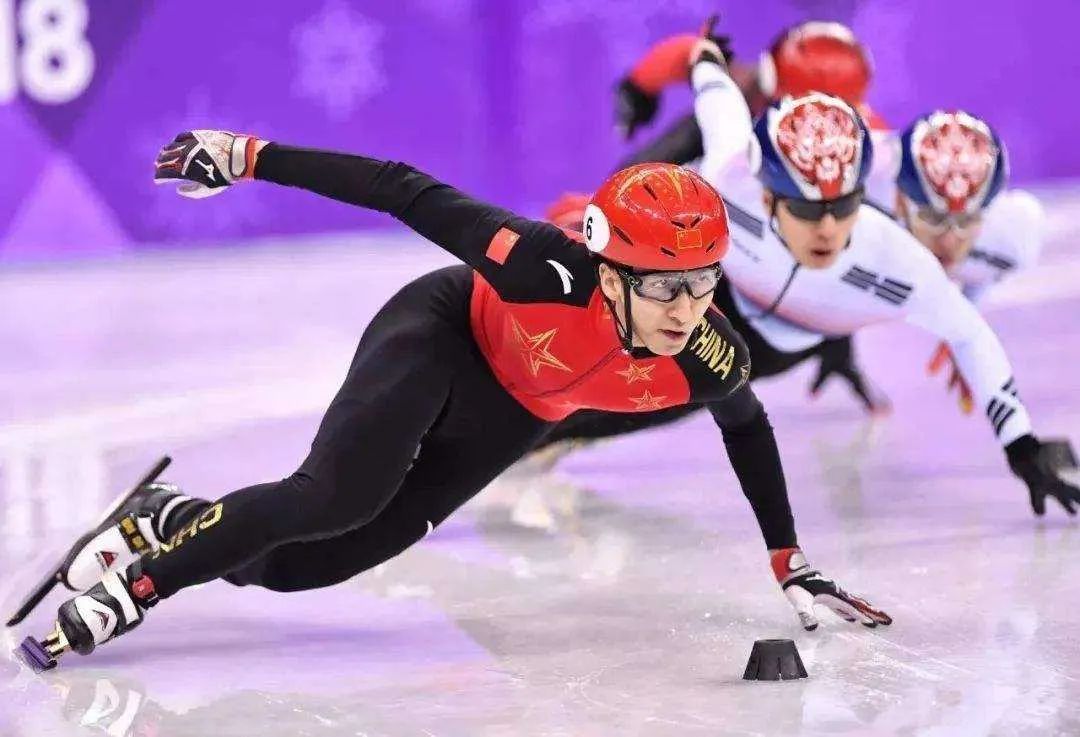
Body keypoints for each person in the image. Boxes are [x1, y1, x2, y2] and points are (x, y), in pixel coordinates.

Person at [19, 139, 893, 671]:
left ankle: (168, 517)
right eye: (664, 287)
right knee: (334, 497)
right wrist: (249, 156)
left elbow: (748, 424)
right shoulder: (541, 266)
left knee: (314, 565)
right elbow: (403, 187)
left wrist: (787, 557)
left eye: (703, 283)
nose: (687, 309)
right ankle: (139, 585)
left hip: (514, 415)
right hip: (443, 335)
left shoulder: (709, 350)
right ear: (611, 273)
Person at [524, 32, 1080, 519]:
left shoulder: (908, 253)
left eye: (844, 207)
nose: (827, 228)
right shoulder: (733, 170)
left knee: (640, 399)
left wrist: (1021, 446)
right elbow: (710, 81)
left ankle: (540, 434)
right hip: (718, 286)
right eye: (807, 209)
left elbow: (969, 332)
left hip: (770, 335)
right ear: (767, 193)